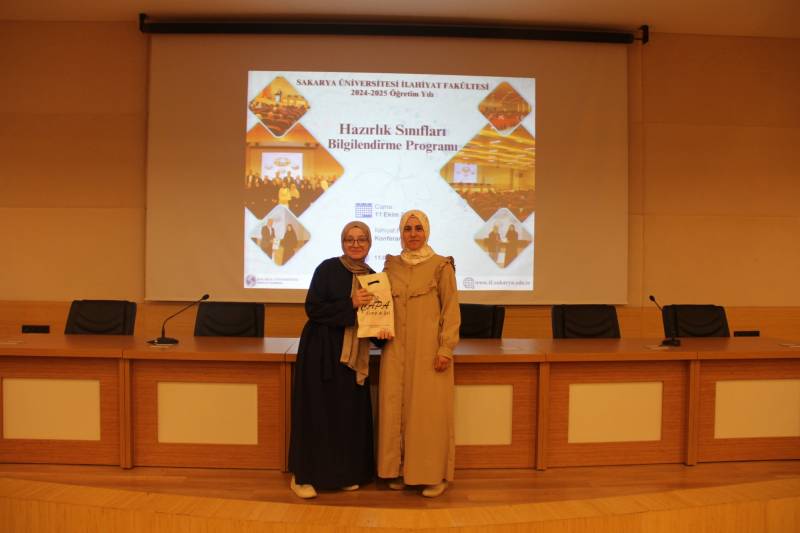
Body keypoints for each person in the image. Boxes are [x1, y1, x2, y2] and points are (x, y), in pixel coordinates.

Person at [288, 221, 384, 499]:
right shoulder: (327, 268)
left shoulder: (375, 278)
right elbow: (313, 308)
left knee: (346, 416)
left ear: (369, 243)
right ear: (342, 243)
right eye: (349, 239)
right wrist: (350, 303)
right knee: (317, 414)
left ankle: (343, 475)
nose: (356, 244)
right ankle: (303, 476)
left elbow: (375, 321)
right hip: (321, 352)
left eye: (362, 239)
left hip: (353, 358)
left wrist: (383, 333)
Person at [378, 209, 460, 498]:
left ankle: (432, 475)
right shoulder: (391, 266)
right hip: (395, 349)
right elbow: (380, 305)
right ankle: (400, 471)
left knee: (427, 414)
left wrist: (446, 348)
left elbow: (451, 310)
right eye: (407, 229)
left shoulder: (441, 266)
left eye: (418, 228)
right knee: (395, 408)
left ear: (427, 231)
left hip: (429, 351)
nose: (413, 234)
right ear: (401, 233)